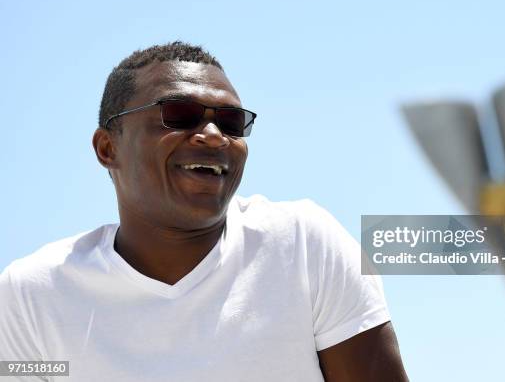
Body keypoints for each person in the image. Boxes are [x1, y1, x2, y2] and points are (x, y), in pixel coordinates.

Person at [0, 42, 408, 381]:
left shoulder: (303, 245)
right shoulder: (33, 293)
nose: (215, 136)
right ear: (108, 148)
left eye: (232, 122)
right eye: (178, 115)